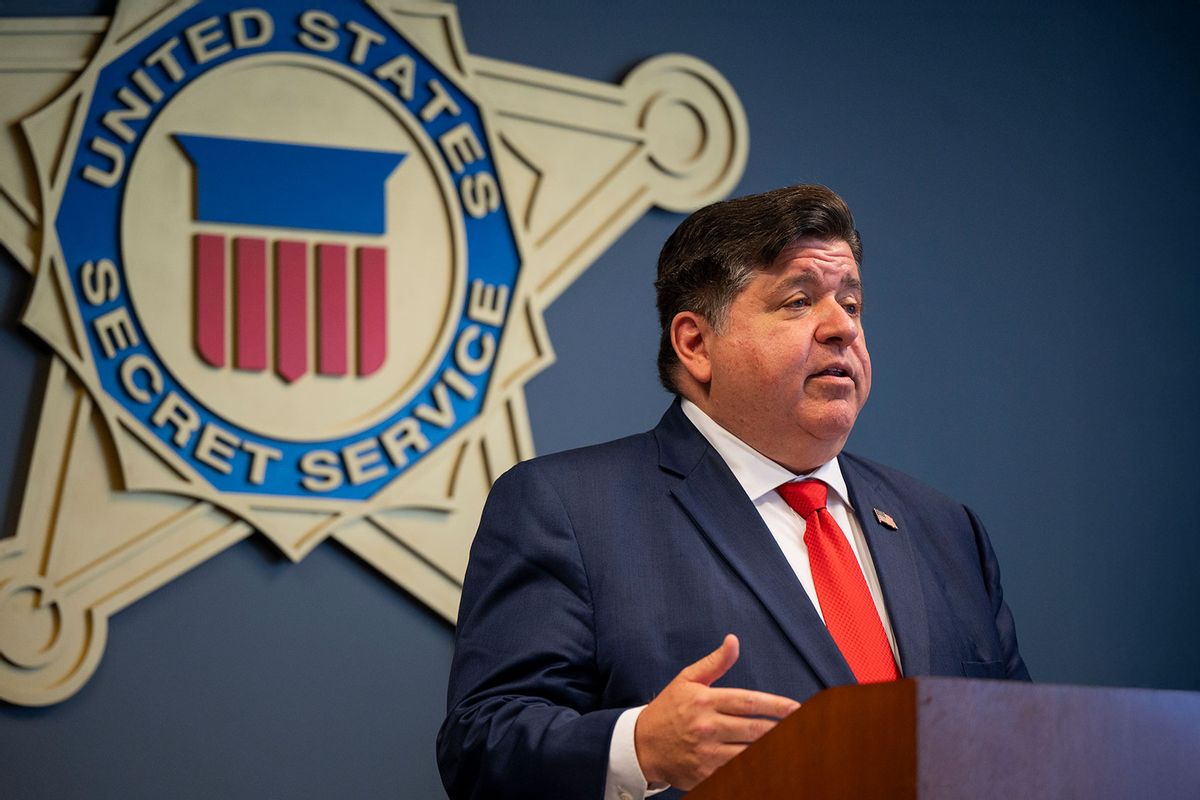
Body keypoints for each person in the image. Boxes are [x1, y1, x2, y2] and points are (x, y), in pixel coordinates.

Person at [436, 184, 1029, 800]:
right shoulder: (567, 509)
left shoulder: (946, 529)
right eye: (799, 301)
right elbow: (482, 746)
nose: (841, 329)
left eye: (851, 304)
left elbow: (1025, 750)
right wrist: (639, 748)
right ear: (695, 344)